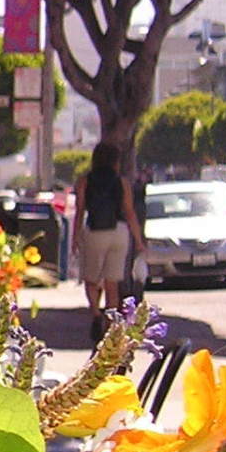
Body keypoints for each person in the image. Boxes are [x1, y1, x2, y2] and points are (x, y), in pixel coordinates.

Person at [72, 140, 146, 339]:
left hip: (95, 231)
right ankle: (111, 325)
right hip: (119, 232)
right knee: (112, 283)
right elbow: (129, 212)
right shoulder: (121, 182)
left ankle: (96, 313)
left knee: (91, 279)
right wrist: (138, 240)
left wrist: (74, 239)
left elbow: (79, 212)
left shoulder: (84, 181)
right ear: (116, 161)